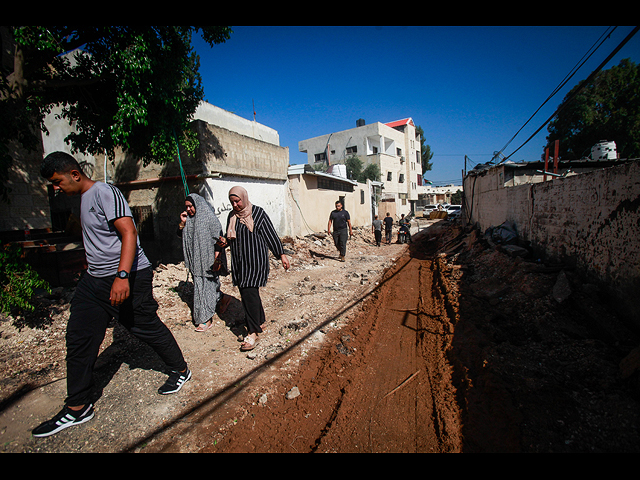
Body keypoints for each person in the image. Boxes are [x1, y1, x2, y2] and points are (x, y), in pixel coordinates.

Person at [32, 152, 190, 438]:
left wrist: (122, 276)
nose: (55, 188)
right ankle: (78, 406)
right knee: (79, 335)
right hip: (94, 281)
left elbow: (129, 233)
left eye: (57, 182)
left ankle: (180, 370)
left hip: (128, 274)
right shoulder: (81, 199)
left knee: (143, 326)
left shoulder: (105, 192)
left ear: (74, 174)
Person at [217, 186, 290, 351]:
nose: (235, 205)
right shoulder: (232, 216)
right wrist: (224, 242)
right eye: (232, 202)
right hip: (239, 263)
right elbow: (231, 236)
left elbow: (270, 234)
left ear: (244, 197)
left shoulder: (258, 213)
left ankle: (253, 332)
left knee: (249, 294)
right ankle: (260, 320)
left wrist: (281, 255)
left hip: (255, 261)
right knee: (247, 293)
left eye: (238, 201)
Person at [178, 193, 231, 332]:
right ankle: (223, 298)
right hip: (195, 261)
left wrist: (217, 259)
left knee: (205, 290)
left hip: (208, 260)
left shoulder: (209, 218)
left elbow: (219, 241)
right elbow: (182, 235)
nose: (189, 209)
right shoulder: (189, 220)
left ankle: (205, 319)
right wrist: (182, 223)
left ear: (198, 205)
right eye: (186, 207)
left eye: (191, 206)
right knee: (203, 289)